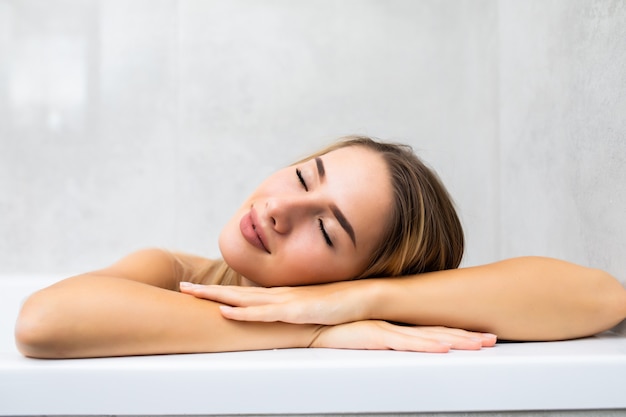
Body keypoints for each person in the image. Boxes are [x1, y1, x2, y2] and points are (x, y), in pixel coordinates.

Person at [15, 136, 626, 359]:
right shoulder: (169, 270)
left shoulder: (367, 302)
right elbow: (43, 322)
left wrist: (357, 302)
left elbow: (602, 299)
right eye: (305, 177)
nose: (278, 208)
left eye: (328, 230)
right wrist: (310, 331)